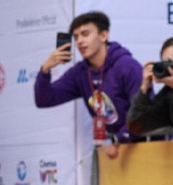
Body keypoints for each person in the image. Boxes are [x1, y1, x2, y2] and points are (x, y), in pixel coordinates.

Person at [34, 11, 144, 145]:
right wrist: (45, 69)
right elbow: (44, 100)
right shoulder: (80, 72)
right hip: (116, 147)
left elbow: (143, 114)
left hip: (147, 143)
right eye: (76, 37)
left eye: (85, 34)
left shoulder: (127, 66)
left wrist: (118, 140)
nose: (79, 41)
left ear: (103, 36)